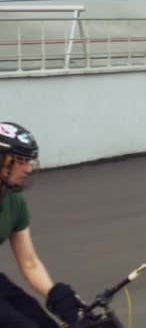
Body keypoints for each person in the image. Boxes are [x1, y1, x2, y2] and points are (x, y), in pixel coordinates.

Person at [0, 122, 85, 327]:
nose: (28, 169)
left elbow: (30, 262)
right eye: (20, 160)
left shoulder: (13, 201)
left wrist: (57, 296)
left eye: (29, 161)